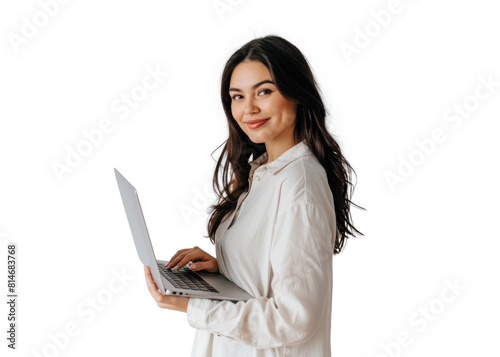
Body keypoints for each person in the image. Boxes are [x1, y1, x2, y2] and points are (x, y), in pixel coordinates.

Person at [143, 34, 364, 356]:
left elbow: (293, 319)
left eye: (264, 91)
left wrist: (192, 307)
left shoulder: (298, 186)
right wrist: (227, 268)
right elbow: (273, 272)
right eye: (237, 96)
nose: (249, 109)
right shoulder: (265, 173)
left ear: (296, 94)